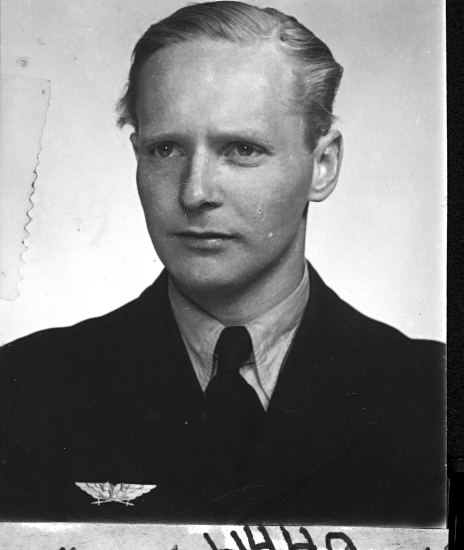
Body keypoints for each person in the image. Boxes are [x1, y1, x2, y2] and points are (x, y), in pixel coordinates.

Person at [1, 1, 445, 525]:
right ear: (137, 156)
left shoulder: (431, 394)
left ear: (322, 165)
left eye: (241, 149)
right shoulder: (23, 390)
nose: (195, 192)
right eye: (166, 149)